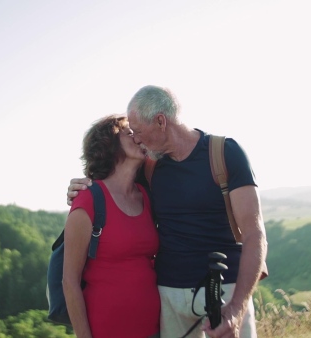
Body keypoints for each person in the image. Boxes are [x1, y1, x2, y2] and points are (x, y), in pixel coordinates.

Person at [66, 85, 267, 338]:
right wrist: (79, 186)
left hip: (224, 288)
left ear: (161, 121)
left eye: (138, 131)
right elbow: (111, 178)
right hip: (169, 294)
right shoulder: (150, 165)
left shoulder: (225, 154)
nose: (136, 138)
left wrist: (237, 308)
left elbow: (255, 234)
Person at [62, 115, 160, 338]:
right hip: (106, 330)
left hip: (155, 331)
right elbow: (70, 281)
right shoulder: (88, 200)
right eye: (129, 133)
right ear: (110, 143)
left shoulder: (146, 195)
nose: (138, 138)